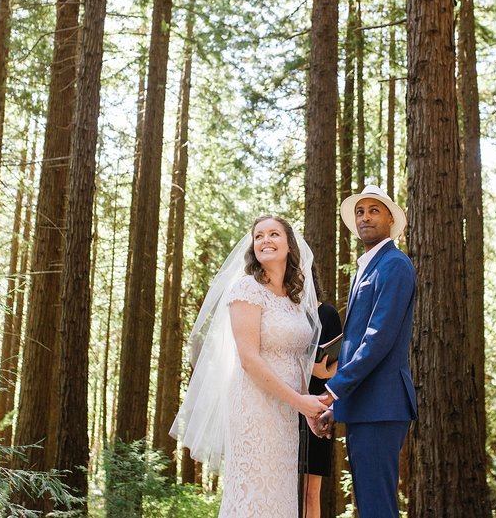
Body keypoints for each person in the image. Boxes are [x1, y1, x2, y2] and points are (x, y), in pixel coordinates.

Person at [170, 215, 325, 518]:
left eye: (274, 234)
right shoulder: (247, 289)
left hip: (286, 412)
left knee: (279, 492)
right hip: (254, 406)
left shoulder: (294, 297)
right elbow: (249, 360)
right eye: (259, 236)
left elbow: (296, 357)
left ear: (290, 245)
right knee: (254, 491)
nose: (265, 240)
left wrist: (308, 410)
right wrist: (300, 403)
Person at [315, 185, 417, 518]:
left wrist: (332, 391)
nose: (365, 217)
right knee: (370, 504)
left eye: (374, 210)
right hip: (365, 406)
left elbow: (377, 339)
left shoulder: (395, 265)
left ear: (391, 218)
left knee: (377, 507)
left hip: (382, 405)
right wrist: (340, 406)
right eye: (360, 212)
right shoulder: (367, 267)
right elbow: (356, 340)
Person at [300, 294, 342, 518]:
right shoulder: (282, 312)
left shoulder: (328, 314)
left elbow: (342, 363)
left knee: (310, 492)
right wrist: (309, 367)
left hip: (317, 408)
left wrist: (323, 372)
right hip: (282, 404)